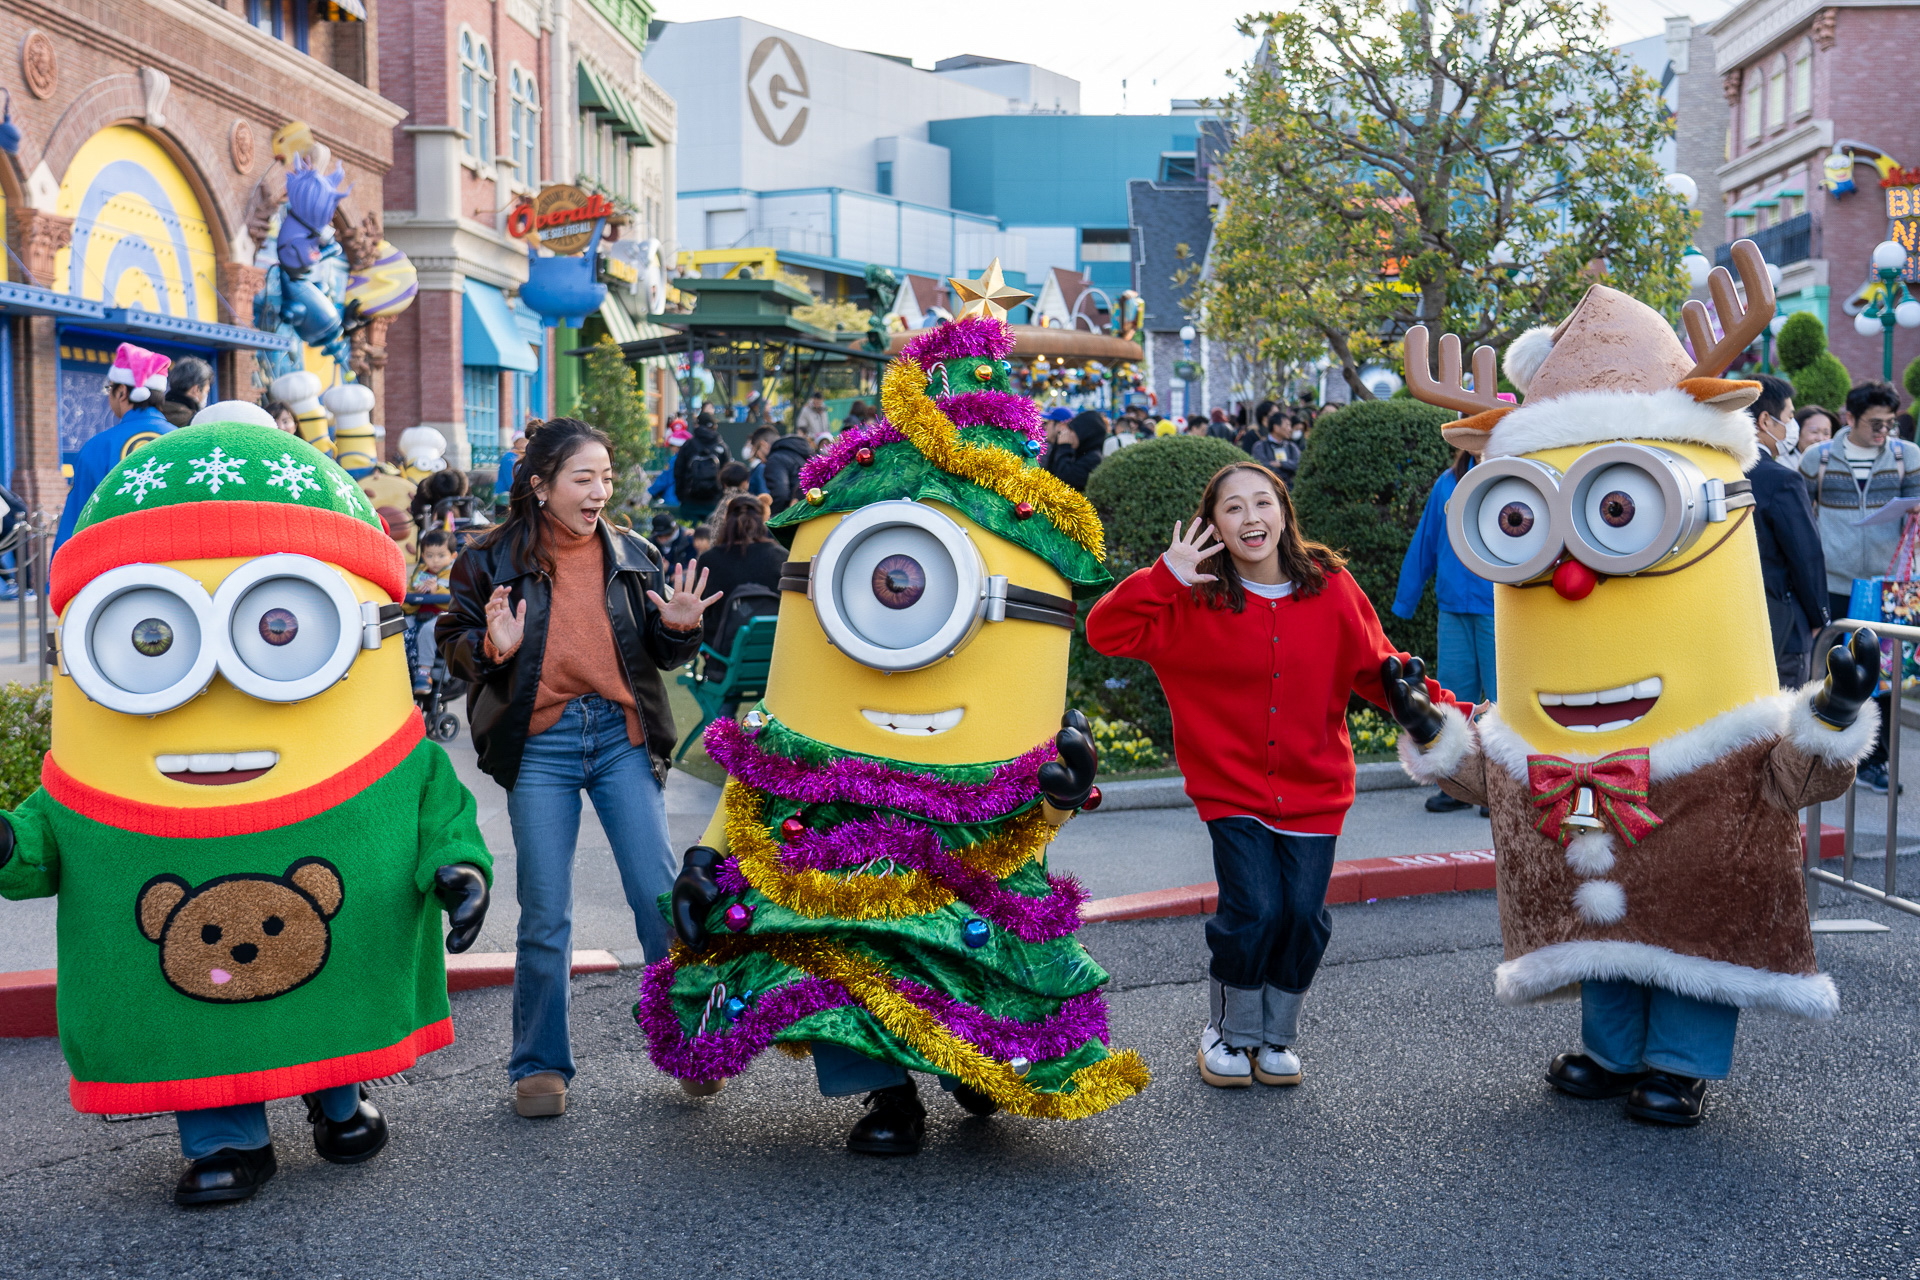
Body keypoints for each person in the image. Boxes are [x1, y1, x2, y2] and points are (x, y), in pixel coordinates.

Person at [1086, 461, 1456, 1090]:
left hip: (1315, 786)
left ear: (1283, 512)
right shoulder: (1191, 595)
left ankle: (1276, 1035)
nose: (1250, 518)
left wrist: (1447, 713)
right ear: (1214, 526)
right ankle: (1229, 1033)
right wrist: (1164, 578)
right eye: (1233, 508)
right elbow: (1105, 632)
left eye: (1262, 503)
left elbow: (1380, 667)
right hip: (1231, 790)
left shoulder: (1331, 586)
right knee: (1253, 909)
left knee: (1303, 917)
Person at [439, 417, 718, 1119]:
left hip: (620, 735)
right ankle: (538, 1065)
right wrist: (491, 646)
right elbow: (454, 643)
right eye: (583, 478)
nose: (600, 491)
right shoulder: (487, 561)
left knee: (659, 897)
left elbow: (653, 648)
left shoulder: (633, 551)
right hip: (542, 744)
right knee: (545, 911)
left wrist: (680, 629)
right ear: (540, 485)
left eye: (606, 477)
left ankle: (689, 1043)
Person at [1800, 380, 1919, 793]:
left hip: (1887, 585)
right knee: (1832, 668)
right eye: (1874, 423)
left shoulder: (1908, 456)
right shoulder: (1819, 458)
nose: (1883, 431)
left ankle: (1875, 762)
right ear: (1849, 418)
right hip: (1834, 580)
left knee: (1882, 674)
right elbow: (1800, 510)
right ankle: (1822, 755)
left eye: (1889, 423)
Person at [1392, 450, 1496, 814]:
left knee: (1502, 699)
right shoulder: (1447, 482)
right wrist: (1406, 599)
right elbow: (1426, 540)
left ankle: (1498, 786)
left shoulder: (1514, 474)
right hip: (1453, 605)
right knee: (1453, 696)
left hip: (1500, 606)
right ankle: (1457, 785)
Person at [1743, 374, 1828, 689]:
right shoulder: (1781, 480)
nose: (1791, 426)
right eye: (1790, 417)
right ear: (1766, 420)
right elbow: (1806, 556)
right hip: (1783, 625)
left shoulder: (1708, 470)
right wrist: (1820, 617)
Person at [55, 343, 176, 549]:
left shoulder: (97, 447)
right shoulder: (182, 439)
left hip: (113, 569)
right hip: (175, 565)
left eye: (109, 388)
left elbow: (75, 522)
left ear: (121, 392)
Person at [406, 529, 458, 695]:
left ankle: (424, 672)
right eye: (429, 555)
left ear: (453, 556)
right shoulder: (419, 573)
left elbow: (455, 602)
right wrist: (415, 596)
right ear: (423, 556)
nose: (435, 560)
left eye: (441, 555)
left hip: (443, 616)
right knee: (400, 627)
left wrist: (436, 591)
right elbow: (407, 602)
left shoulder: (454, 573)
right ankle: (401, 667)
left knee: (429, 630)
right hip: (419, 614)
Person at [672, 412, 730, 523]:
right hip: (714, 501)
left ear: (697, 425)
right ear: (714, 426)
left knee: (690, 536)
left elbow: (678, 473)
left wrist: (681, 496)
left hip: (690, 502)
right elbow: (728, 474)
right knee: (713, 536)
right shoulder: (721, 446)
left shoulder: (688, 446)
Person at [1043, 409, 1108, 492]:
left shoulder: (1093, 458)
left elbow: (1064, 480)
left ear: (1083, 434)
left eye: (1072, 430)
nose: (1068, 434)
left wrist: (1064, 447)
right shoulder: (1078, 452)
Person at [759, 426, 815, 513]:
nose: (759, 459)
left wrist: (774, 517)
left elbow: (780, 494)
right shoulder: (799, 451)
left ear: (763, 445)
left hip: (796, 512)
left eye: (756, 451)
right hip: (814, 506)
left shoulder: (774, 459)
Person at [158, 356, 213, 428]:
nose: (206, 395)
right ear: (196, 389)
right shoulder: (195, 422)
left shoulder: (154, 412)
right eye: (207, 391)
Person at [1250, 412, 1301, 482]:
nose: (1290, 429)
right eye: (1287, 425)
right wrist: (1288, 468)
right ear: (1276, 427)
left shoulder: (1291, 447)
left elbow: (1299, 464)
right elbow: (1261, 467)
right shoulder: (1260, 446)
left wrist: (1281, 464)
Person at [497, 432, 528, 507]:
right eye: (521, 441)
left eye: (525, 441)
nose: (524, 444)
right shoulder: (508, 458)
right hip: (504, 496)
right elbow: (511, 480)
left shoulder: (525, 456)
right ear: (515, 443)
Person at [743, 427, 776, 496]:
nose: (755, 453)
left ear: (762, 445)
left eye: (755, 448)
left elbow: (764, 496)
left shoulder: (761, 468)